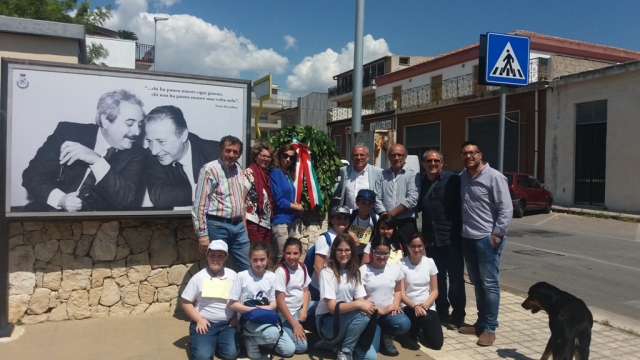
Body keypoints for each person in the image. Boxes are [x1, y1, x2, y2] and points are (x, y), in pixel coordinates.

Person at [21, 89, 147, 212]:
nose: (137, 132)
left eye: (140, 125)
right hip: (46, 213)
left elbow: (126, 201)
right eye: (130, 124)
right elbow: (32, 175)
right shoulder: (67, 132)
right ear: (106, 120)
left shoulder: (137, 154)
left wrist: (97, 161)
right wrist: (60, 200)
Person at [457, 141, 513, 347]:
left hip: (486, 239)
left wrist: (497, 235)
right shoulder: (462, 177)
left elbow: (506, 208)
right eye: (464, 153)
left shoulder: (495, 177)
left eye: (472, 153)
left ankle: (490, 328)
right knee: (477, 282)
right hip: (467, 238)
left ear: (480, 154)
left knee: (490, 284)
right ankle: (480, 322)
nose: (469, 156)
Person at [418, 150, 466, 330]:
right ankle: (442, 313)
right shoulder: (420, 183)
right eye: (429, 161)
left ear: (442, 163)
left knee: (456, 280)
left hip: (452, 239)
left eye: (436, 160)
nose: (432, 164)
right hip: (431, 241)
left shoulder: (453, 180)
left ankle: (458, 315)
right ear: (423, 164)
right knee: (437, 280)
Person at [228, 241, 295, 359]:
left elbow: (274, 303)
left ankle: (256, 339)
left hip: (266, 317)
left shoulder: (271, 276)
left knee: (289, 350)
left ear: (268, 258)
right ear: (249, 259)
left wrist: (266, 308)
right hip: (248, 319)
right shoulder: (242, 276)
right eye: (255, 260)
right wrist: (252, 310)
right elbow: (233, 304)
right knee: (272, 334)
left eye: (262, 259)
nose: (259, 263)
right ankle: (251, 340)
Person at [192, 135, 250, 271]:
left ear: (240, 154)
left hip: (238, 227)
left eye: (235, 152)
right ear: (220, 151)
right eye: (228, 150)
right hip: (217, 227)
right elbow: (199, 204)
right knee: (217, 268)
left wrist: (244, 225)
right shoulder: (210, 169)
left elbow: (241, 201)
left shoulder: (239, 170)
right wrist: (203, 235)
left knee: (247, 266)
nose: (231, 155)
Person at [144, 105, 219, 209]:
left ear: (183, 135)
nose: (153, 150)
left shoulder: (216, 153)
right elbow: (159, 196)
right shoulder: (150, 155)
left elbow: (233, 192)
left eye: (161, 141)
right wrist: (205, 191)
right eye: (149, 141)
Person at [315, 233, 377, 360]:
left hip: (346, 320)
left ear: (352, 251)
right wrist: (360, 304)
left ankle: (332, 346)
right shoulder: (327, 272)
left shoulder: (355, 272)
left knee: (371, 357)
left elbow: (360, 299)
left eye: (347, 250)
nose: (343, 254)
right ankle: (345, 352)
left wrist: (363, 305)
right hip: (327, 321)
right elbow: (332, 308)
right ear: (334, 251)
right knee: (362, 315)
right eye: (340, 250)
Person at [181, 240, 239, 360]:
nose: (215, 259)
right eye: (212, 255)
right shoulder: (198, 278)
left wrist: (236, 317)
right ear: (207, 255)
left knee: (231, 354)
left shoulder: (233, 276)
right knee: (202, 357)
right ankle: (199, 342)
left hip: (227, 324)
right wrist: (199, 320)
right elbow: (186, 302)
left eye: (220, 256)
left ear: (226, 257)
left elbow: (240, 298)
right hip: (205, 324)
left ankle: (214, 343)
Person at [360, 234, 411, 357]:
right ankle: (377, 332)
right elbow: (360, 300)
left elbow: (398, 290)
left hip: (388, 312)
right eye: (378, 252)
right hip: (370, 315)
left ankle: (387, 334)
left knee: (404, 323)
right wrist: (380, 310)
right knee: (374, 349)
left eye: (385, 253)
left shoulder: (394, 268)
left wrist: (395, 304)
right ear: (372, 251)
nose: (382, 256)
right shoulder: (363, 271)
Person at [399, 233, 444, 350]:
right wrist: (415, 306)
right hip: (408, 305)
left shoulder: (430, 262)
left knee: (437, 344)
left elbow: (434, 291)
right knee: (424, 319)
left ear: (424, 246)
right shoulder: (401, 264)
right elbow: (401, 294)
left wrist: (425, 304)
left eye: (420, 246)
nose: (416, 249)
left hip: (426, 305)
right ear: (407, 246)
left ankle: (419, 330)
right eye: (413, 246)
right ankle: (411, 330)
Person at [374, 143, 420, 242]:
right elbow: (376, 197)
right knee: (386, 251)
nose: (396, 158)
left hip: (406, 223)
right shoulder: (381, 175)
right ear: (388, 157)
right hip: (386, 223)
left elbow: (412, 199)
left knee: (407, 253)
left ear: (405, 157)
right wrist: (383, 213)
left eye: (400, 155)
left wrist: (390, 214)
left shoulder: (413, 174)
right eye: (393, 155)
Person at [275, 237, 311, 354]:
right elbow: (280, 303)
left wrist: (304, 309)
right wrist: (295, 324)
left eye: (295, 253)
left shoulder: (303, 267)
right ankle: (278, 334)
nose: (292, 257)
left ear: (300, 253)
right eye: (288, 253)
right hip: (287, 314)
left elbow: (305, 290)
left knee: (320, 306)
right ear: (284, 253)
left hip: (300, 308)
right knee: (301, 348)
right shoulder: (281, 271)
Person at [310, 205, 352, 301]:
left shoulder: (347, 237)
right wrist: (323, 286)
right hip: (321, 285)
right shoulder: (324, 239)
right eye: (338, 218)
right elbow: (318, 266)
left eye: (345, 218)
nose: (342, 221)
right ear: (332, 220)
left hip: (337, 283)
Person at [270, 143, 304, 261]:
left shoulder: (288, 175)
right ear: (279, 156)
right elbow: (278, 200)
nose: (288, 159)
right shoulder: (275, 172)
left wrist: (297, 207)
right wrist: (296, 207)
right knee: (282, 257)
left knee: (291, 256)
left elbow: (289, 198)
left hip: (290, 220)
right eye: (285, 156)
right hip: (279, 221)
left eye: (291, 158)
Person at [333, 144, 383, 210]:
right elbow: (339, 189)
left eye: (362, 155)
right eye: (356, 155)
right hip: (349, 216)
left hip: (368, 216)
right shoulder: (345, 171)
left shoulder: (378, 172)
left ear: (368, 157)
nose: (359, 158)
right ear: (352, 157)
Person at [244, 142, 275, 244]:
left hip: (266, 224)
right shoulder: (250, 173)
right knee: (255, 256)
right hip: (253, 223)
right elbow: (241, 198)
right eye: (263, 156)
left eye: (268, 157)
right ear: (256, 156)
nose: (266, 159)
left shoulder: (266, 175)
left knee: (264, 256)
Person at [348, 189, 379, 260]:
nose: (366, 207)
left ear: (373, 205)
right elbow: (338, 230)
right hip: (349, 252)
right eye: (363, 203)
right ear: (357, 202)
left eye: (369, 204)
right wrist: (350, 233)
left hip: (365, 253)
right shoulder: (350, 214)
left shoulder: (375, 218)